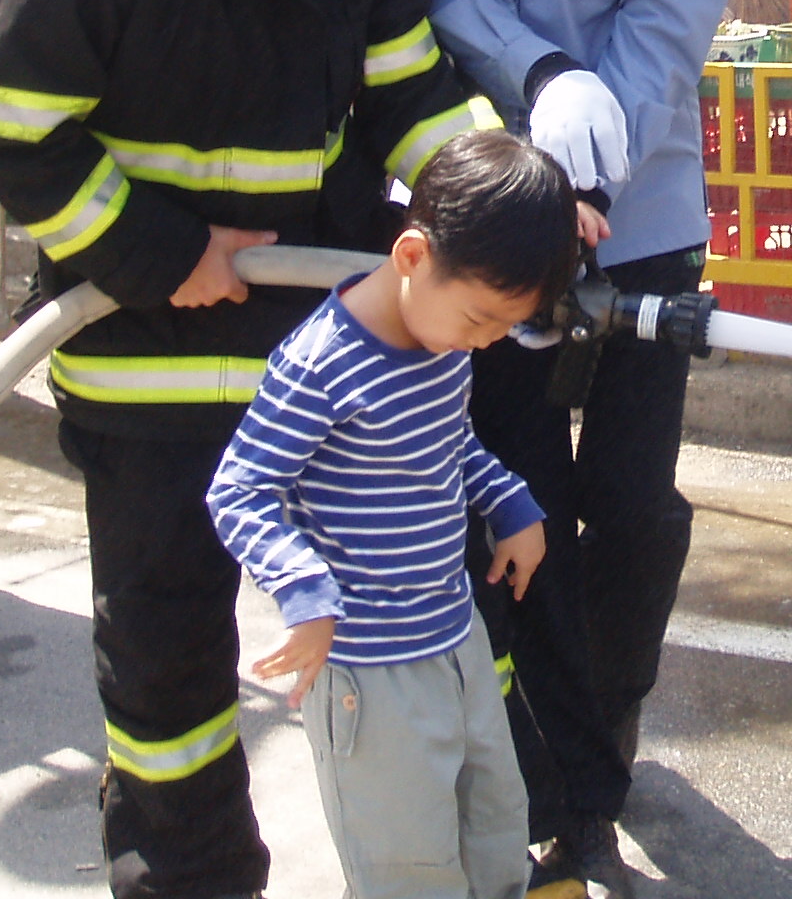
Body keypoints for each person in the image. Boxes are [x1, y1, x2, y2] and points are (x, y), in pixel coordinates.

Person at [0, 0, 498, 899]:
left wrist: (496, 197)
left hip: (323, 374)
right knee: (169, 679)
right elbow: (4, 120)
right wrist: (158, 249)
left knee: (400, 637)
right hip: (149, 376)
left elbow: (410, 95)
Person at [373, 0, 753, 898]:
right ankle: (564, 795)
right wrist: (536, 93)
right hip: (488, 216)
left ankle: (609, 718)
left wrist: (591, 164)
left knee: (634, 514)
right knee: (514, 504)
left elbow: (665, 29)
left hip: (641, 215)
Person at [206, 130, 580, 899]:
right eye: (480, 320)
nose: (485, 343)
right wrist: (304, 592)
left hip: (456, 640)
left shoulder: (442, 341)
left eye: (503, 327)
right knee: (408, 870)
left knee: (496, 829)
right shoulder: (320, 365)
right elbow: (239, 490)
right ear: (412, 256)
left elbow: (447, 443)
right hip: (369, 676)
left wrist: (507, 499)